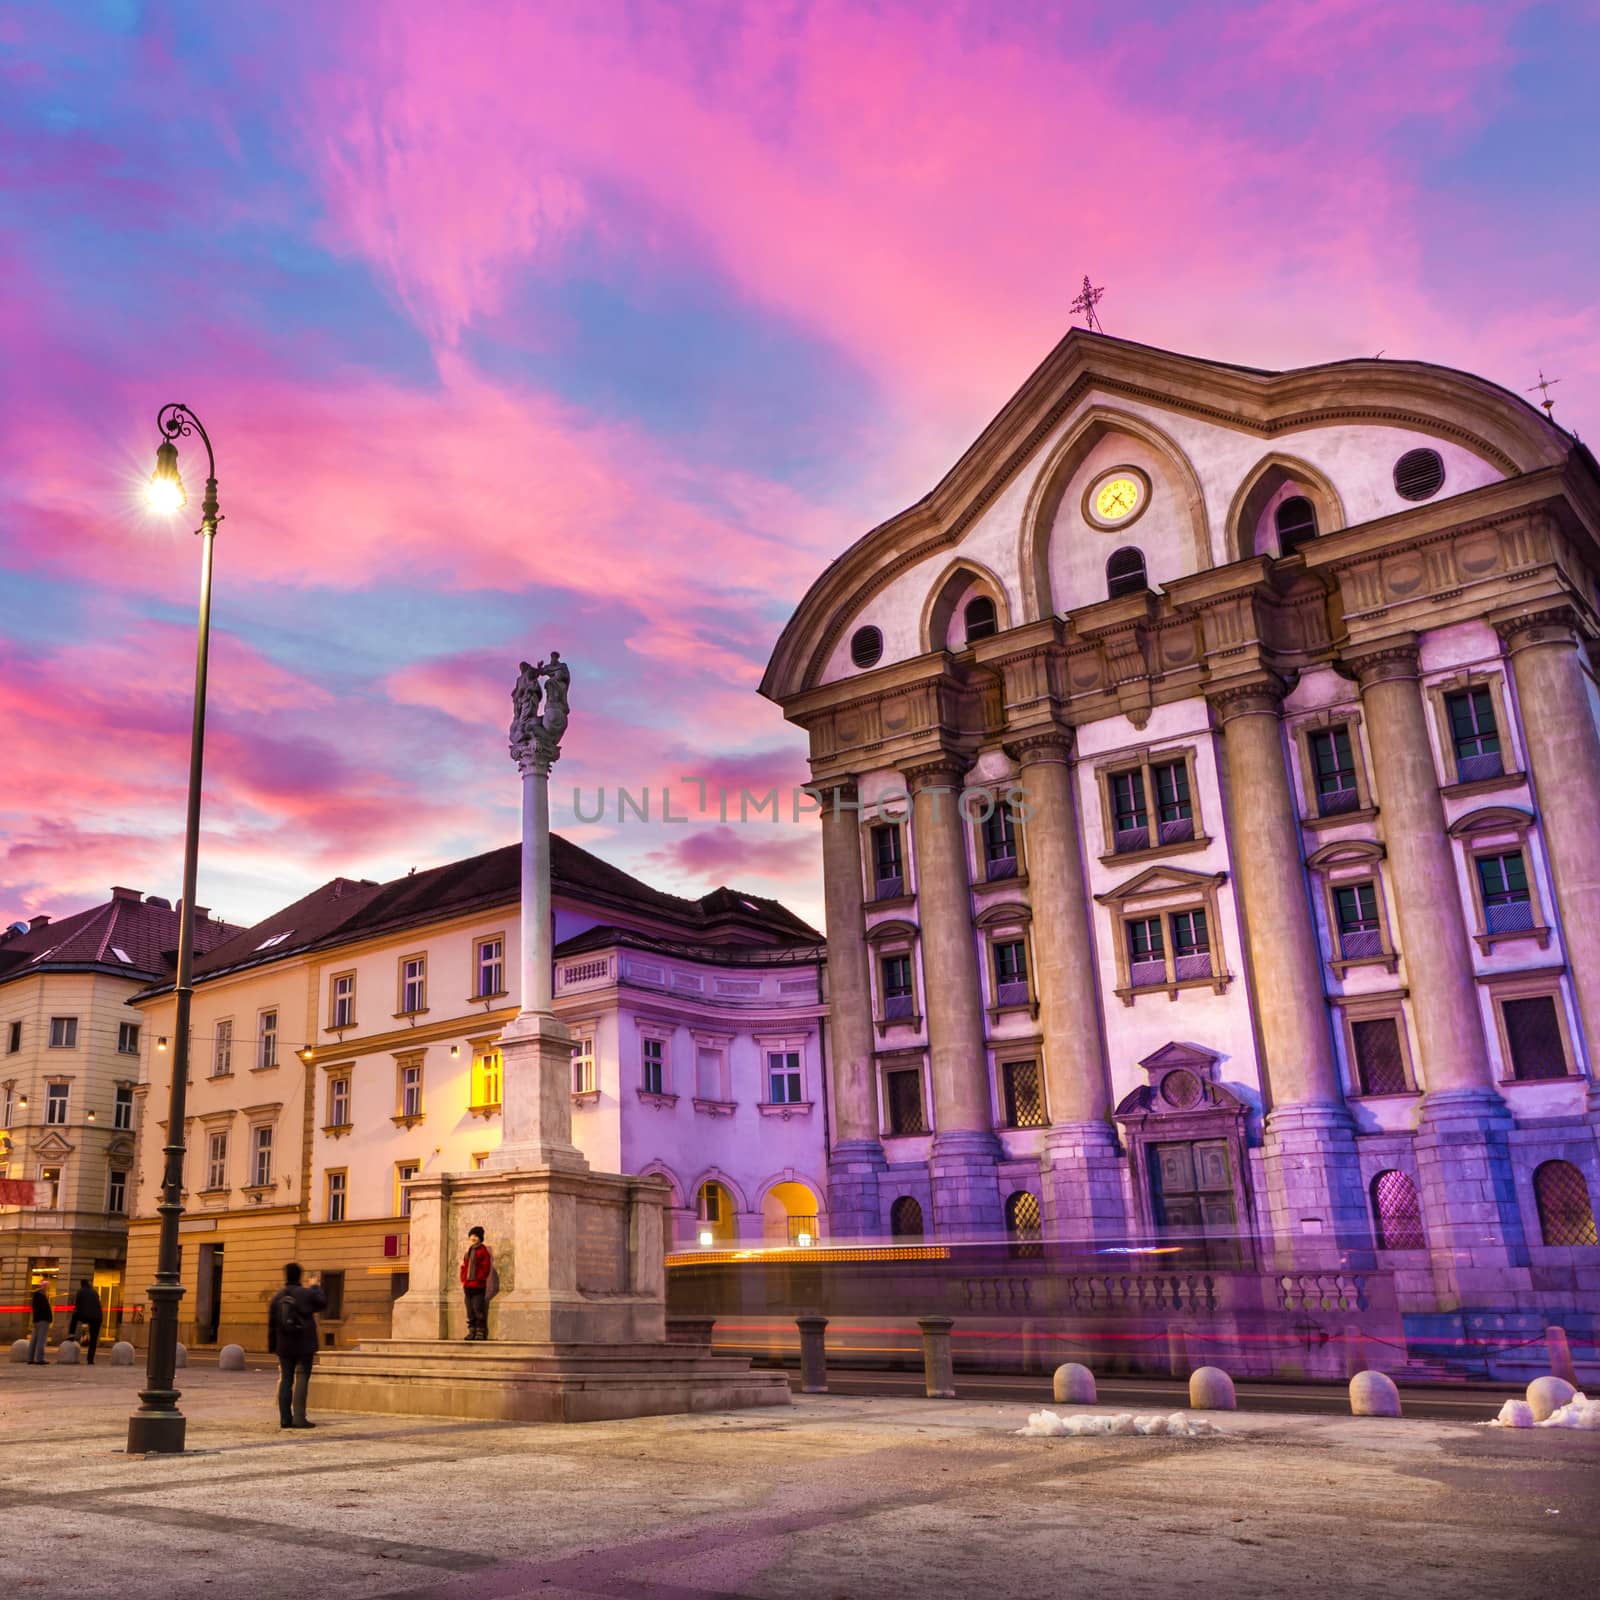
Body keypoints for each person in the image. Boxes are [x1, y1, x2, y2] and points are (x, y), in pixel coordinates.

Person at [266, 1263, 327, 1429]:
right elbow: (322, 1303)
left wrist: (273, 1346)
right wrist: (315, 1286)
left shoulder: (277, 1297)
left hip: (284, 1345)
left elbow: (271, 1324)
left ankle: (285, 1419)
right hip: (304, 1343)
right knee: (302, 1378)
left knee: (286, 1379)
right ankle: (299, 1418)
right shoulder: (305, 1294)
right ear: (299, 1275)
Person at [460, 1226, 492, 1341]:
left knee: (478, 1309)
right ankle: (471, 1331)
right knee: (470, 1311)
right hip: (468, 1286)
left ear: (480, 1238)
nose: (473, 1238)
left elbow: (486, 1268)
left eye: (476, 1236)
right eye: (472, 1235)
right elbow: (464, 1266)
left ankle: (480, 1332)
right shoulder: (469, 1250)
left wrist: (479, 1279)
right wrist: (463, 1278)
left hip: (478, 1286)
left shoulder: (483, 1251)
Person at [68, 1278, 104, 1365]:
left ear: (81, 1284)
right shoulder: (94, 1291)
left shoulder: (81, 1291)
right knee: (94, 1339)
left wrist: (78, 1312)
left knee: (74, 1316)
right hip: (98, 1317)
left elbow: (78, 1305)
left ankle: (71, 1334)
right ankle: (90, 1359)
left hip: (87, 1315)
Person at [27, 1284, 51, 1364]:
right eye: (46, 1287)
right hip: (43, 1321)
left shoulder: (35, 1297)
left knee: (34, 1340)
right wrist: (49, 1318)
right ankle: (39, 1359)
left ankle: (30, 1358)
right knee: (41, 1340)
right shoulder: (42, 1297)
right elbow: (45, 1309)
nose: (46, 1289)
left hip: (36, 1320)